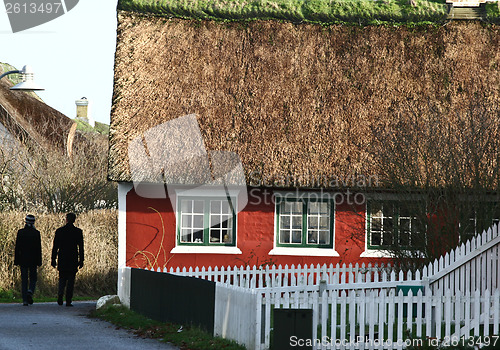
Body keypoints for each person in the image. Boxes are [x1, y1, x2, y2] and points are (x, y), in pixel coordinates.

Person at [51, 213, 84, 307]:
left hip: (62, 257)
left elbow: (55, 247)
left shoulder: (60, 231)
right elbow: (81, 247)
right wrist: (81, 260)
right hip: (73, 258)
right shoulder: (78, 232)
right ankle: (68, 300)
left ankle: (60, 295)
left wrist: (53, 259)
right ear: (74, 220)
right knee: (71, 280)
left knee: (62, 278)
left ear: (66, 219)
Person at [14, 214, 42, 306]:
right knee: (33, 278)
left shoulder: (21, 232)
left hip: (23, 259)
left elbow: (17, 247)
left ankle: (25, 300)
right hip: (33, 259)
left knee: (24, 279)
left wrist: (16, 260)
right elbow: (38, 248)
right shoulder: (36, 233)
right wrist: (39, 260)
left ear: (25, 222)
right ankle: (30, 291)